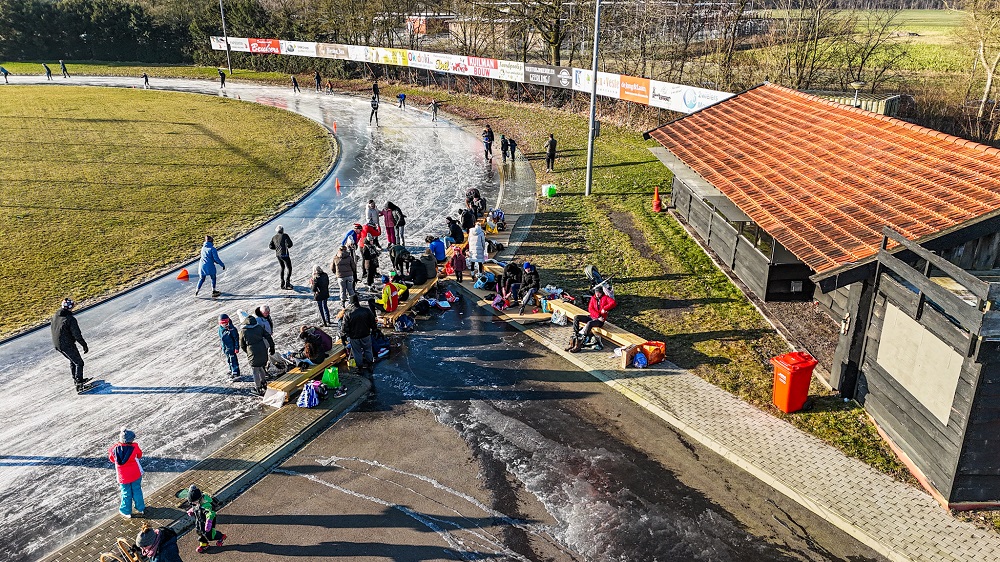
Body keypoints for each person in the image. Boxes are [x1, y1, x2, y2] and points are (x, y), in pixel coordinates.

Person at [52, 297, 90, 391]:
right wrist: (84, 344)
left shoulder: (56, 316)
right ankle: (79, 385)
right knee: (79, 363)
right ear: (70, 307)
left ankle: (76, 380)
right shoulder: (70, 319)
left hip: (58, 345)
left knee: (73, 361)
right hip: (67, 344)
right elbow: (77, 334)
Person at [340, 294, 377, 382]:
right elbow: (372, 322)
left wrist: (343, 336)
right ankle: (370, 365)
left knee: (357, 352)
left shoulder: (348, 313)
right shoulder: (366, 310)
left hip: (354, 337)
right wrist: (375, 330)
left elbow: (344, 327)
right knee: (368, 350)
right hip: (366, 334)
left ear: (351, 302)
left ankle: (360, 367)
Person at [109, 428, 145, 518]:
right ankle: (141, 508)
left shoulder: (114, 449)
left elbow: (112, 459)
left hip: (123, 477)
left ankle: (126, 511)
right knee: (137, 491)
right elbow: (140, 455)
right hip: (135, 474)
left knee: (126, 493)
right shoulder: (134, 447)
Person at [569, 285, 617, 352]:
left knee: (589, 323)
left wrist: (605, 308)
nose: (597, 294)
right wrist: (598, 316)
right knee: (576, 317)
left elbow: (613, 303)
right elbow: (590, 309)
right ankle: (575, 335)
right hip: (593, 317)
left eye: (599, 293)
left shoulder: (605, 298)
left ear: (602, 293)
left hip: (599, 321)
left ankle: (581, 341)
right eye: (596, 292)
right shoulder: (593, 298)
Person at [239, 310, 275, 395]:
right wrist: (272, 346)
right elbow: (268, 336)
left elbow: (242, 345)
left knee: (255, 370)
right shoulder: (258, 327)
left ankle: (258, 388)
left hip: (252, 352)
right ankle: (264, 383)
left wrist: (248, 352)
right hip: (262, 350)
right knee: (261, 367)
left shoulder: (243, 331)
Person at [183, 485, 226, 554]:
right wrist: (192, 510)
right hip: (199, 521)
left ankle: (221, 536)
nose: (193, 504)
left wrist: (208, 523)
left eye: (194, 502)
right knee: (200, 532)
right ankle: (203, 544)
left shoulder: (206, 505)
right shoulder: (196, 503)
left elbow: (210, 513)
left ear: (199, 499)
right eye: (192, 503)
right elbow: (196, 508)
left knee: (210, 535)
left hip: (207, 522)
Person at [331, 244, 357, 309]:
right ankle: (353, 301)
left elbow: (332, 268)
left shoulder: (335, 258)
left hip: (341, 277)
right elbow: (353, 266)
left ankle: (343, 302)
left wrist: (336, 273)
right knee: (350, 289)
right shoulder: (349, 257)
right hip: (349, 276)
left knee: (342, 289)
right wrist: (352, 272)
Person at [269, 225, 294, 290]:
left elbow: (270, 246)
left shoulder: (274, 237)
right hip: (285, 254)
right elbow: (290, 244)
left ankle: (282, 283)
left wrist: (277, 248)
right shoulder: (285, 235)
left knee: (282, 267)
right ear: (282, 230)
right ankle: (287, 283)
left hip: (278, 255)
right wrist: (286, 247)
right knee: (289, 268)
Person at [218, 314, 240, 380]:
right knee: (229, 360)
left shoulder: (232, 329)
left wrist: (236, 347)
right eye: (222, 323)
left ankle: (236, 373)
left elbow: (236, 339)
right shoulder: (220, 329)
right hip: (225, 348)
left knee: (233, 361)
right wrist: (221, 345)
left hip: (231, 348)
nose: (224, 325)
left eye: (225, 323)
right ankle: (231, 370)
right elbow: (221, 338)